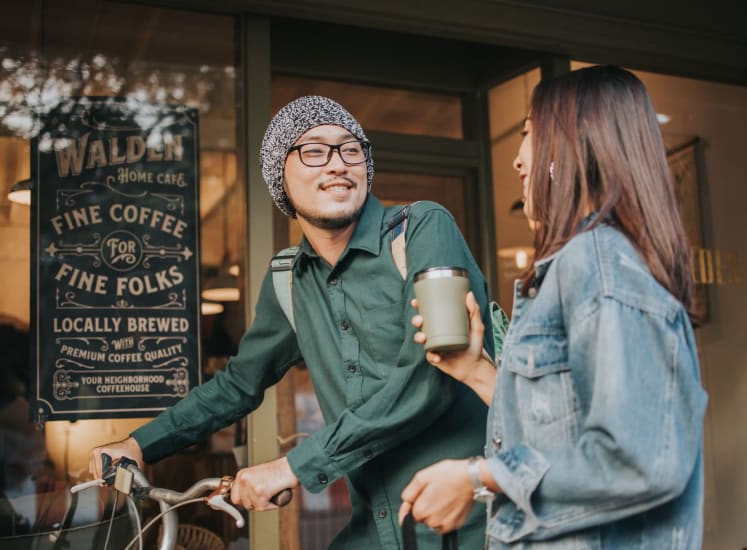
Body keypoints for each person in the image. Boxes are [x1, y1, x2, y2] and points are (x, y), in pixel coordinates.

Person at [90, 95, 494, 549]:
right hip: (376, 529)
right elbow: (238, 385)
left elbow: (429, 374)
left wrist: (293, 467)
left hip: (472, 525)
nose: (337, 164)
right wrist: (140, 445)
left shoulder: (421, 228)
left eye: (350, 149)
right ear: (278, 176)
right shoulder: (288, 279)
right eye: (314, 151)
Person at [398, 65, 708, 549]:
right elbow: (564, 433)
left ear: (568, 149)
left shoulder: (597, 262)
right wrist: (476, 372)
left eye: (528, 135)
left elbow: (640, 458)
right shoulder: (585, 263)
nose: (518, 161)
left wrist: (477, 476)